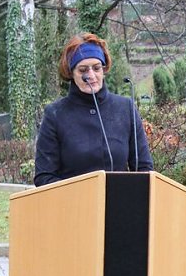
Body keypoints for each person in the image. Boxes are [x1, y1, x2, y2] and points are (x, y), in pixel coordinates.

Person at [34, 33, 153, 187]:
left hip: (121, 205)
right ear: (71, 73)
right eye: (83, 70)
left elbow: (144, 169)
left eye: (96, 68)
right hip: (73, 207)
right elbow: (44, 177)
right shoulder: (55, 114)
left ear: (104, 70)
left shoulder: (125, 108)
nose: (91, 75)